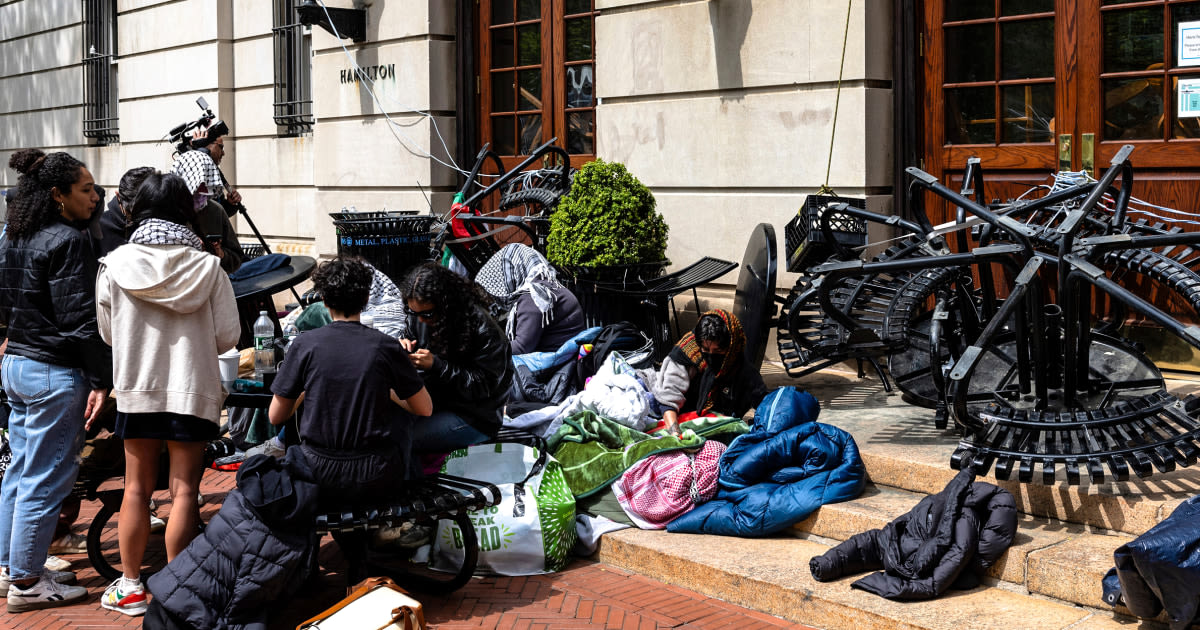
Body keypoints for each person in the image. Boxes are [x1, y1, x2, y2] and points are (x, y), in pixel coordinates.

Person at [95, 171, 241, 616]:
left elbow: (107, 334)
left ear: (135, 209)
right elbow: (227, 336)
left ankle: (131, 585)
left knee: (136, 489)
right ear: (185, 210)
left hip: (138, 391)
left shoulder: (114, 265)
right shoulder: (208, 268)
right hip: (192, 391)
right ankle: (178, 589)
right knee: (184, 492)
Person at [0, 149, 110, 612]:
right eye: (85, 190)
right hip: (52, 372)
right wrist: (103, 379)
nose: (95, 196)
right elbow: (79, 320)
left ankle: (13, 564)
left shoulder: (15, 235)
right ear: (58, 194)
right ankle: (26, 581)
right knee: (45, 477)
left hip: (19, 366)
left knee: (21, 470)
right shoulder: (68, 239)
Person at [269, 256, 432, 498]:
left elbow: (275, 416)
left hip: (317, 474)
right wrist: (387, 393)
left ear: (323, 300)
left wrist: (307, 391)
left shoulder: (304, 344)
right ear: (366, 299)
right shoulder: (387, 346)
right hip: (376, 474)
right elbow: (425, 408)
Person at [400, 263, 513, 453]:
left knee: (405, 439)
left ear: (446, 304)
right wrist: (404, 346)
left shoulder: (482, 329)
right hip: (435, 402)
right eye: (413, 313)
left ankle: (414, 481)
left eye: (427, 314)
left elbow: (484, 387)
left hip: (475, 417)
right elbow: (411, 334)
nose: (420, 320)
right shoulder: (419, 318)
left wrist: (438, 366)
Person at [651, 309, 769, 436]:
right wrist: (676, 436)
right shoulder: (686, 353)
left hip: (721, 423)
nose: (711, 355)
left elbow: (764, 401)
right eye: (706, 349)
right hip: (684, 419)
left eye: (718, 351)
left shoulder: (740, 366)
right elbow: (669, 399)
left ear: (730, 348)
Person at [476, 243, 586, 355]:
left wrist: (482, 352)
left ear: (512, 274)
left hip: (554, 362)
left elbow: (521, 347)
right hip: (564, 356)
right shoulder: (547, 286)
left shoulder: (532, 297)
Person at [169, 150, 242, 273]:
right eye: (197, 185)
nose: (202, 192)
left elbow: (236, 259)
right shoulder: (165, 212)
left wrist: (220, 254)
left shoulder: (216, 211)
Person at [97, 166, 156, 257]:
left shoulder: (160, 226)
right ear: (118, 197)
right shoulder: (97, 229)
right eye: (133, 213)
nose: (141, 220)